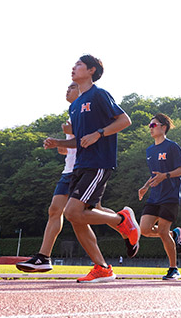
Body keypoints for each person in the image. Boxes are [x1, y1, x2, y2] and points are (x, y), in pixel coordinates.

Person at [43, 55, 139, 283]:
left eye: (78, 65)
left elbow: (125, 121)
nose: (73, 68)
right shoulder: (75, 105)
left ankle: (121, 220)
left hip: (98, 162)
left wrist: (100, 133)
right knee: (78, 219)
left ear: (91, 70)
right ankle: (102, 268)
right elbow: (79, 141)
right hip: (80, 165)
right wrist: (59, 143)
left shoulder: (99, 94)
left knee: (72, 213)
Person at [16, 82, 122, 272]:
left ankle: (120, 222)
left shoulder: (90, 108)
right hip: (70, 170)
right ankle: (44, 257)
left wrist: (70, 134)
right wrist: (57, 142)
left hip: (87, 167)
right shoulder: (72, 112)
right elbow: (67, 149)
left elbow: (86, 139)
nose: (68, 89)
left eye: (72, 87)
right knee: (56, 211)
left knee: (79, 215)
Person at [137, 113, 181, 280]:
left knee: (163, 231)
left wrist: (165, 176)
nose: (150, 128)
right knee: (144, 230)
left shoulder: (172, 147)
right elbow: (154, 174)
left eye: (154, 125)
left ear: (163, 127)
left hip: (170, 195)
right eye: (149, 126)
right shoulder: (150, 150)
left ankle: (173, 269)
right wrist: (145, 187)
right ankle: (175, 235)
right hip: (154, 196)